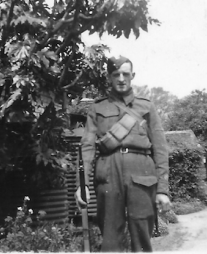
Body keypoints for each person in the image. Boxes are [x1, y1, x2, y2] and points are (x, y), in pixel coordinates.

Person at [75, 55, 171, 252]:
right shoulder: (97, 107)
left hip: (142, 172)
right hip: (108, 172)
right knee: (110, 235)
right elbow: (87, 147)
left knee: (142, 230)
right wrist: (82, 185)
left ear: (132, 75)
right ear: (109, 77)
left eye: (125, 74)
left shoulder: (147, 106)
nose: (121, 78)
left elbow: (160, 148)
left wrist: (162, 189)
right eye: (115, 74)